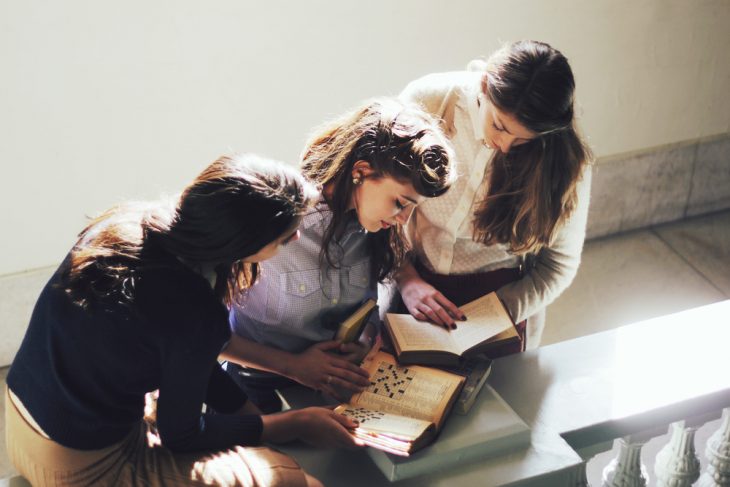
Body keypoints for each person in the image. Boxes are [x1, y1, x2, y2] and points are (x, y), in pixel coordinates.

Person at [5, 154, 362, 487]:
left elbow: (189, 355)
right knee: (291, 478)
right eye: (286, 238)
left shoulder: (131, 224)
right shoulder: (192, 308)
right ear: (242, 243)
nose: (297, 237)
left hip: (22, 422)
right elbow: (182, 434)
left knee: (260, 449)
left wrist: (254, 418)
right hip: (82, 466)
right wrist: (293, 422)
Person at [221, 98, 455, 411]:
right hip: (254, 392)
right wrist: (293, 365)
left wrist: (363, 339)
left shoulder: (376, 231)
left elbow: (371, 303)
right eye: (400, 203)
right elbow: (205, 334)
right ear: (361, 171)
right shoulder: (270, 221)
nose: (404, 220)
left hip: (335, 389)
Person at [392, 40, 593, 351]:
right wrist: (406, 279)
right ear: (484, 86)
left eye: (523, 140)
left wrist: (495, 315)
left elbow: (558, 267)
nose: (505, 145)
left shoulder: (564, 159)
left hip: (504, 302)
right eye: (499, 125)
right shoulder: (426, 102)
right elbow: (379, 208)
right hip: (413, 285)